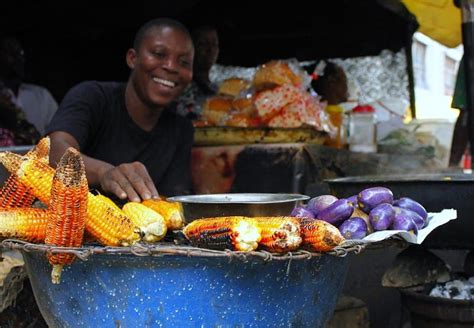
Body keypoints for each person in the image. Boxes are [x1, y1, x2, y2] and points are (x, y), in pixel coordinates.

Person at [46, 18, 195, 202]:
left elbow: (173, 199)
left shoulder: (181, 129)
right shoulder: (92, 97)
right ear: (132, 58)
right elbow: (53, 151)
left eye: (184, 62)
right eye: (158, 54)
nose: (171, 67)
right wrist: (105, 173)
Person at [0, 36, 58, 136]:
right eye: (11, 53)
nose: (18, 58)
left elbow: (58, 132)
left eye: (20, 53)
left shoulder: (41, 95)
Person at [176, 25, 219, 119]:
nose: (210, 49)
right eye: (203, 44)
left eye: (214, 44)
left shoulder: (216, 89)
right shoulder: (181, 88)